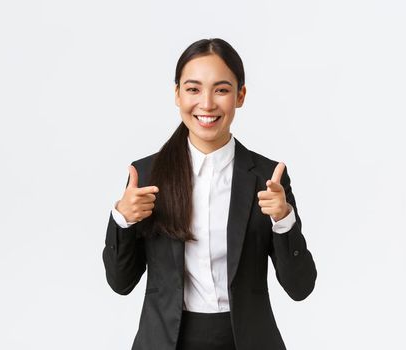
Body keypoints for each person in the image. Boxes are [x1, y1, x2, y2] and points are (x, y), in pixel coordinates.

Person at [102, 38, 317, 350]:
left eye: (221, 89)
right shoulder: (148, 176)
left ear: (240, 95)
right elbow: (120, 283)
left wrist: (283, 221)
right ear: (177, 94)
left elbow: (300, 287)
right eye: (193, 89)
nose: (206, 103)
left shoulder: (267, 178)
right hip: (166, 341)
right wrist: (122, 220)